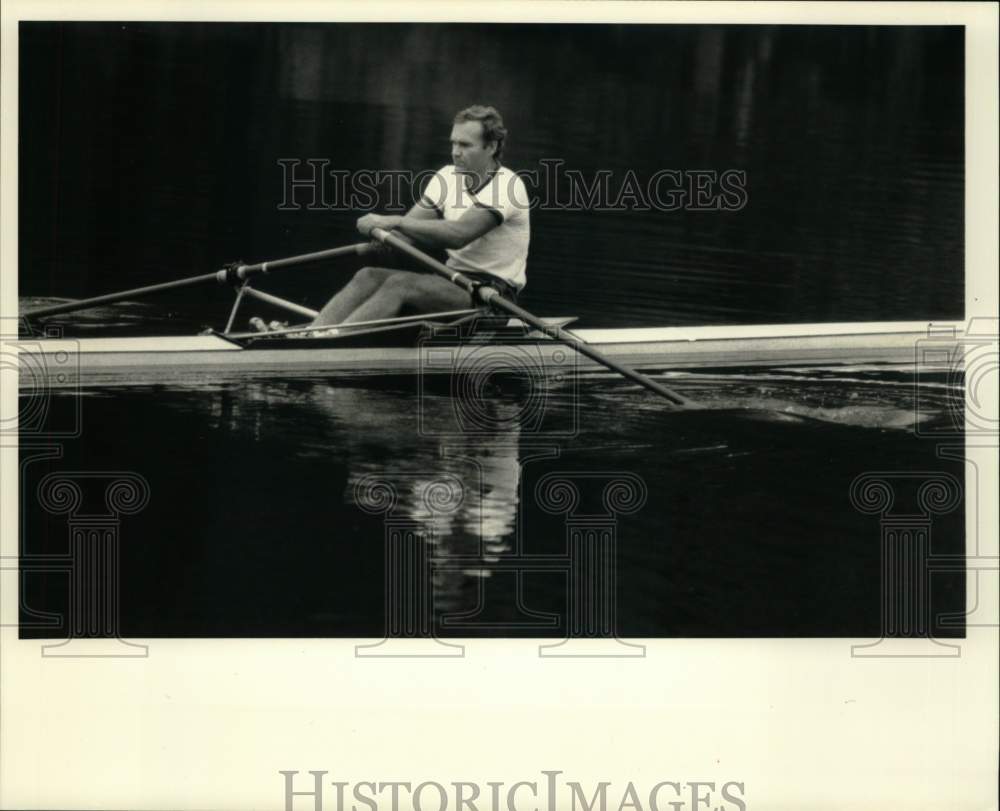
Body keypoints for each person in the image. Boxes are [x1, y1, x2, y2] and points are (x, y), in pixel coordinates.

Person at [307, 105, 530, 329]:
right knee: (367, 276)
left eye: (465, 145)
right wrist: (383, 239)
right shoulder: (447, 177)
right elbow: (404, 236)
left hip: (494, 296)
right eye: (453, 143)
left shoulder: (508, 186)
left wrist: (395, 221)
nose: (455, 152)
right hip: (452, 280)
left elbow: (459, 235)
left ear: (491, 147)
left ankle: (332, 341)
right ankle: (312, 334)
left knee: (401, 284)